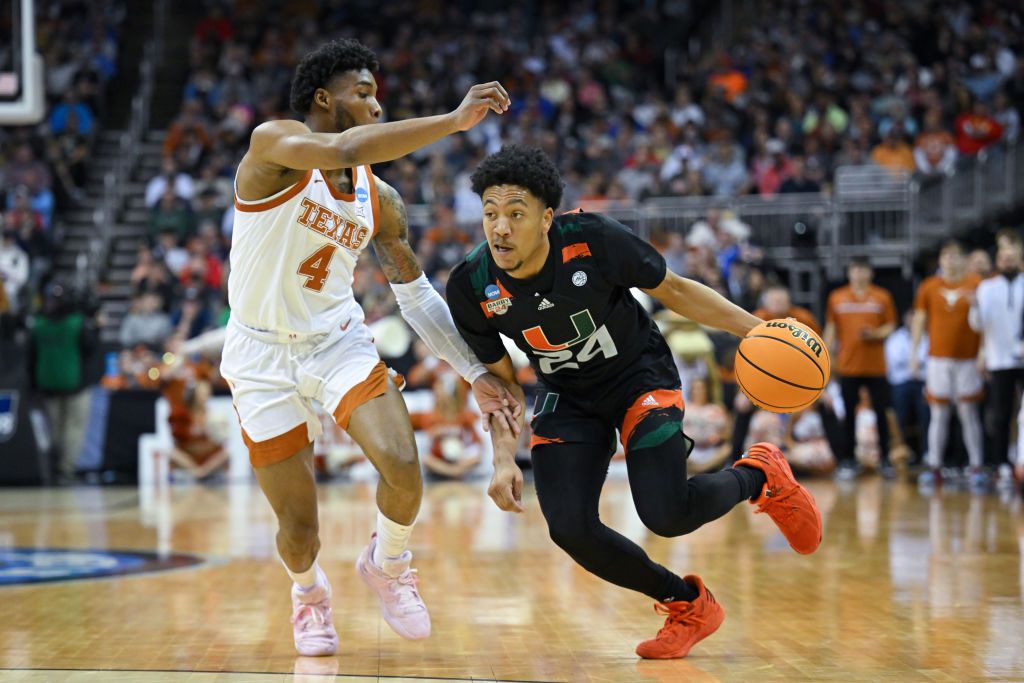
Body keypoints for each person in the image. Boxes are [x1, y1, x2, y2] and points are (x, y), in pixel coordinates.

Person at [445, 145, 821, 660]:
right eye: (490, 213)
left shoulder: (593, 239)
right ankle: (687, 602)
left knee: (666, 513)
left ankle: (761, 474)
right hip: (566, 394)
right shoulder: (470, 284)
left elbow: (678, 291)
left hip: (636, 374)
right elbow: (501, 385)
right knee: (570, 529)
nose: (500, 228)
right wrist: (502, 458)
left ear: (547, 218)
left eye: (515, 213)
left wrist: (761, 330)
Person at [220, 38, 518, 656]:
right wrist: (455, 120)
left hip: (336, 341)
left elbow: (416, 295)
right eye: (364, 93)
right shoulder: (272, 145)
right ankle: (308, 594)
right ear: (325, 98)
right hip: (260, 356)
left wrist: (472, 371)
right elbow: (342, 146)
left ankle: (388, 562)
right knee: (299, 531)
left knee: (404, 467)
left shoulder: (379, 199)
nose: (377, 105)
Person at [912, 240, 984, 489]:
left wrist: (984, 352)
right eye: (946, 256)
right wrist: (914, 353)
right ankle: (935, 467)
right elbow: (920, 319)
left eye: (955, 256)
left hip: (968, 359)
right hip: (937, 359)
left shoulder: (976, 284)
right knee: (939, 414)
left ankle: (976, 467)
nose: (950, 260)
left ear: (964, 259)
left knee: (968, 413)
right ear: (940, 260)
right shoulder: (929, 286)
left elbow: (984, 323)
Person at [823, 258, 898, 479]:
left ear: (870, 273)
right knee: (849, 414)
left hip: (876, 366)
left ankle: (885, 460)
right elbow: (831, 328)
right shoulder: (836, 297)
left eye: (863, 270)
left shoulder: (882, 296)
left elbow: (891, 325)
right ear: (849, 273)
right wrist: (826, 355)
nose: (859, 274)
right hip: (848, 366)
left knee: (881, 413)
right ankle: (847, 460)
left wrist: (875, 334)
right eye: (855, 270)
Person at [969, 230, 1024, 487]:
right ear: (998, 261)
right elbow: (977, 325)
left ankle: (1020, 461)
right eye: (1003, 257)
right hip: (999, 358)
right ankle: (1001, 464)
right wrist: (974, 307)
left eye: (1012, 257)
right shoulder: (987, 287)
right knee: (1001, 414)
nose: (1008, 261)